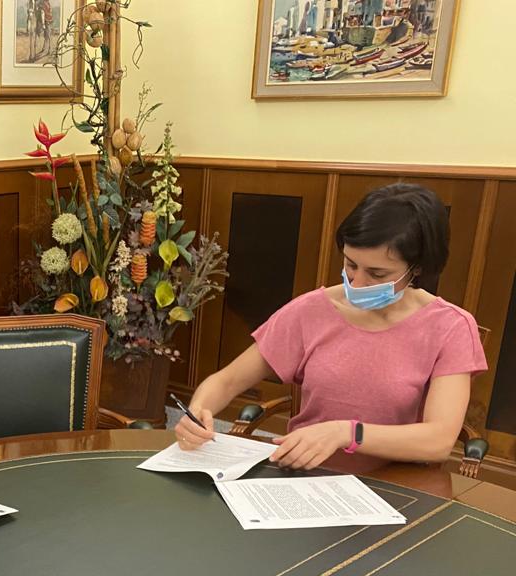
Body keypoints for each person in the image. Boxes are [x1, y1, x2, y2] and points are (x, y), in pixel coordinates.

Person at [175, 183, 487, 472]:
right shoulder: (311, 311)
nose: (357, 283)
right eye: (350, 264)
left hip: (394, 486)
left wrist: (346, 433)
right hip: (304, 477)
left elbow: (438, 441)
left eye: (377, 274)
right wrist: (197, 412)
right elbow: (227, 381)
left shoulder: (450, 327)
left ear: (417, 268)